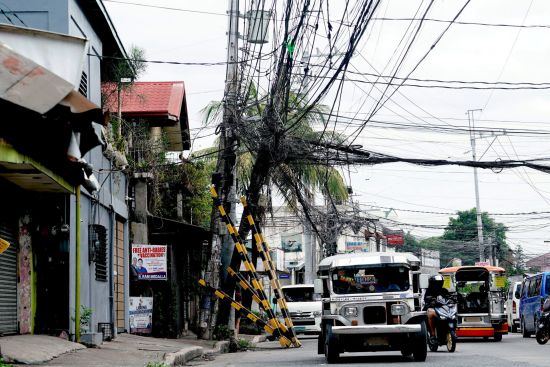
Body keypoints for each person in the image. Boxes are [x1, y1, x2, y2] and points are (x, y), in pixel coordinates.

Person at [424, 274, 450, 344]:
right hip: (432, 308)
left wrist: (453, 299)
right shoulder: (429, 291)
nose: (438, 284)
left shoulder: (444, 290)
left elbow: (449, 298)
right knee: (430, 313)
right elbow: (426, 299)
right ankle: (432, 334)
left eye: (440, 282)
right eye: (436, 283)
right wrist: (431, 301)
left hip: (443, 309)